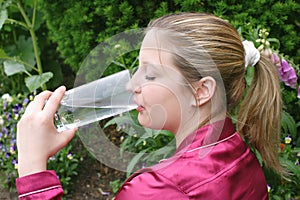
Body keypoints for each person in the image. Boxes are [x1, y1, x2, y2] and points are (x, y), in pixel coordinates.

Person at [16, 12, 284, 199]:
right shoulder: (243, 160)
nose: (132, 85)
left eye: (151, 74)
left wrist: (32, 169)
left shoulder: (160, 189)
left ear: (201, 91)